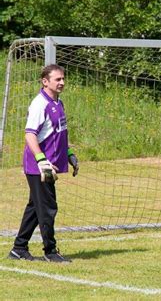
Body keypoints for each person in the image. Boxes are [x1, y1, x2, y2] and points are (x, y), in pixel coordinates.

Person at [8, 64, 79, 263]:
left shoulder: (59, 103)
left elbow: (58, 135)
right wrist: (42, 160)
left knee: (35, 207)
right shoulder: (40, 104)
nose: (62, 82)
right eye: (57, 79)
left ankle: (18, 248)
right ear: (45, 81)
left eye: (63, 78)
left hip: (48, 164)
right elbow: (30, 135)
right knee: (48, 207)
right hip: (38, 166)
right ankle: (51, 251)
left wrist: (69, 153)